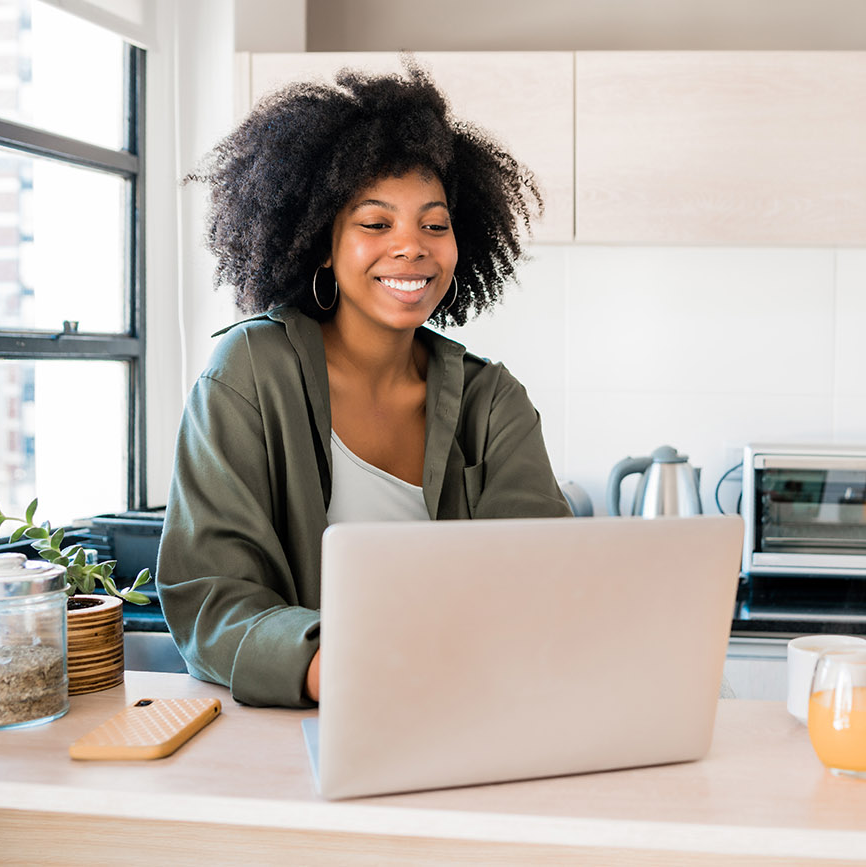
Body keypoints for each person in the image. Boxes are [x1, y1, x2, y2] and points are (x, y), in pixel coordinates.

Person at [156, 64, 572, 709]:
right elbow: (214, 596)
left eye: (434, 225)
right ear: (322, 243)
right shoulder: (249, 372)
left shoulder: (492, 402)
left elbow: (544, 579)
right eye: (375, 224)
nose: (412, 247)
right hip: (312, 722)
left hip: (469, 706)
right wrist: (340, 672)